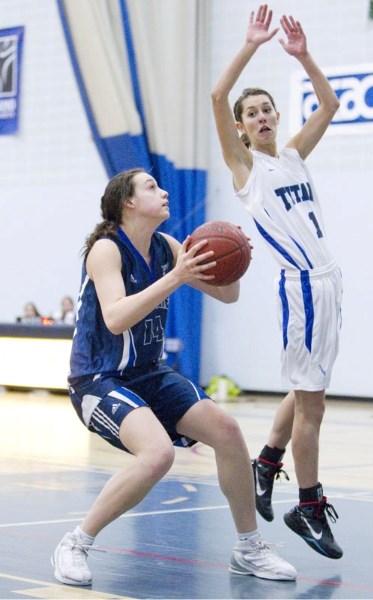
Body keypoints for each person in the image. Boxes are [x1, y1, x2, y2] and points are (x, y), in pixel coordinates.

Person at [51, 168, 297, 586]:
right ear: (127, 202)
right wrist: (177, 276)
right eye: (151, 187)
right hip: (98, 378)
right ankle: (76, 542)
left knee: (227, 430)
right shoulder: (105, 250)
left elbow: (227, 294)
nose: (163, 191)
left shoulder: (167, 247)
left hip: (148, 373)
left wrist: (229, 258)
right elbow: (114, 319)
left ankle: (248, 547)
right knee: (158, 455)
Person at [211, 5, 343, 560]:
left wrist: (302, 55)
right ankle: (307, 505)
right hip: (302, 288)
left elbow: (331, 103)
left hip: (330, 283)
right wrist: (250, 46)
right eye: (253, 113)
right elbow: (217, 98)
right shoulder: (246, 170)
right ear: (241, 127)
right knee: (312, 407)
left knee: (306, 386)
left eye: (268, 109)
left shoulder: (291, 156)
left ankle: (266, 463)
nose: (263, 117)